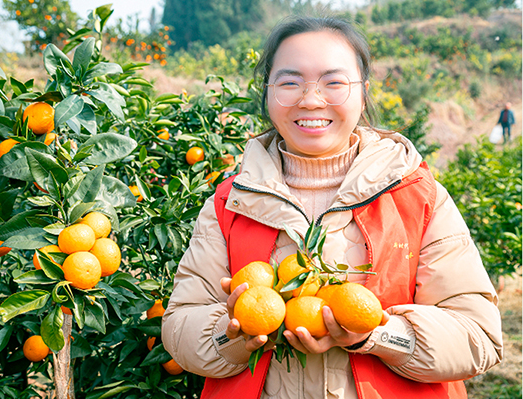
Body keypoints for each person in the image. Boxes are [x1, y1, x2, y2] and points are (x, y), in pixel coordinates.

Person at [162, 16, 503, 399]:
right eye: (290, 82)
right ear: (268, 92)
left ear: (363, 92)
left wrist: (376, 334)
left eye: (334, 82)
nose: (310, 99)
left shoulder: (419, 196)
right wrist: (238, 336)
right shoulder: (229, 203)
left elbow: (479, 336)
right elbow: (180, 328)